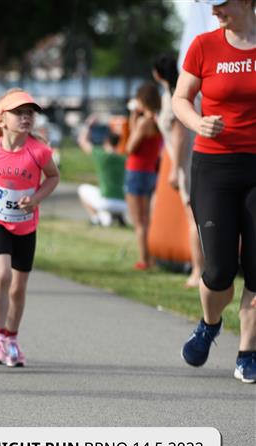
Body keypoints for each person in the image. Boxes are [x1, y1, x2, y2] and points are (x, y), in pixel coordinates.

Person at [172, 0, 256, 383]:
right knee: (219, 270)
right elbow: (180, 98)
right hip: (214, 166)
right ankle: (210, 323)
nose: (215, 11)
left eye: (221, 4)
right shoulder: (204, 45)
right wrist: (198, 122)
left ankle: (247, 352)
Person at [0, 89, 60, 367]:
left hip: (25, 226)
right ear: (1, 120)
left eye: (30, 113)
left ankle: (11, 338)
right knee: (1, 275)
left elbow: (53, 177)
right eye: (18, 113)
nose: (26, 117)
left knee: (18, 288)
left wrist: (35, 199)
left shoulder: (39, 151)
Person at [152, 52, 203, 287]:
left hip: (188, 164)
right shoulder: (191, 92)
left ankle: (198, 270)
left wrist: (175, 169)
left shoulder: (173, 97)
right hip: (198, 159)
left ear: (157, 74)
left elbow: (179, 134)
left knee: (194, 220)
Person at [124, 82, 163, 270]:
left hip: (136, 172)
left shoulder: (144, 122)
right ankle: (151, 257)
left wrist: (135, 122)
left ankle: (144, 259)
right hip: (150, 172)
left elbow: (130, 147)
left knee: (139, 222)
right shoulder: (157, 120)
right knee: (147, 219)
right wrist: (134, 119)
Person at [76, 114, 127, 227]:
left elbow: (82, 141)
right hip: (123, 203)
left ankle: (95, 219)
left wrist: (88, 124)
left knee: (82, 189)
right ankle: (118, 216)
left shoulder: (101, 155)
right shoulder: (124, 158)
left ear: (106, 141)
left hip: (106, 202)